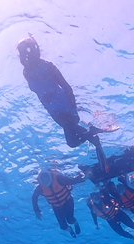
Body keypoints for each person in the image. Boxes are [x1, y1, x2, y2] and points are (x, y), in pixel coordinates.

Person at [17, 36, 111, 171]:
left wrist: (73, 110)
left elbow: (67, 87)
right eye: (24, 52)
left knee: (72, 142)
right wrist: (51, 113)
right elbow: (40, 95)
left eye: (30, 51)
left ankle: (93, 135)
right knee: (79, 136)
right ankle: (95, 141)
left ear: (35, 51)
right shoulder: (26, 73)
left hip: (64, 108)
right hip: (55, 113)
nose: (28, 55)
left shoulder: (47, 66)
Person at [32, 168, 85, 237]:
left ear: (50, 175)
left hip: (67, 201)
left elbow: (72, 180)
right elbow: (34, 198)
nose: (45, 180)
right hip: (56, 206)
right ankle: (70, 230)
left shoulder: (59, 179)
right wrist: (37, 210)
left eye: (46, 176)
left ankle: (76, 223)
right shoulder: (40, 188)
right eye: (43, 178)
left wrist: (83, 177)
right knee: (63, 226)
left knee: (70, 219)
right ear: (40, 179)